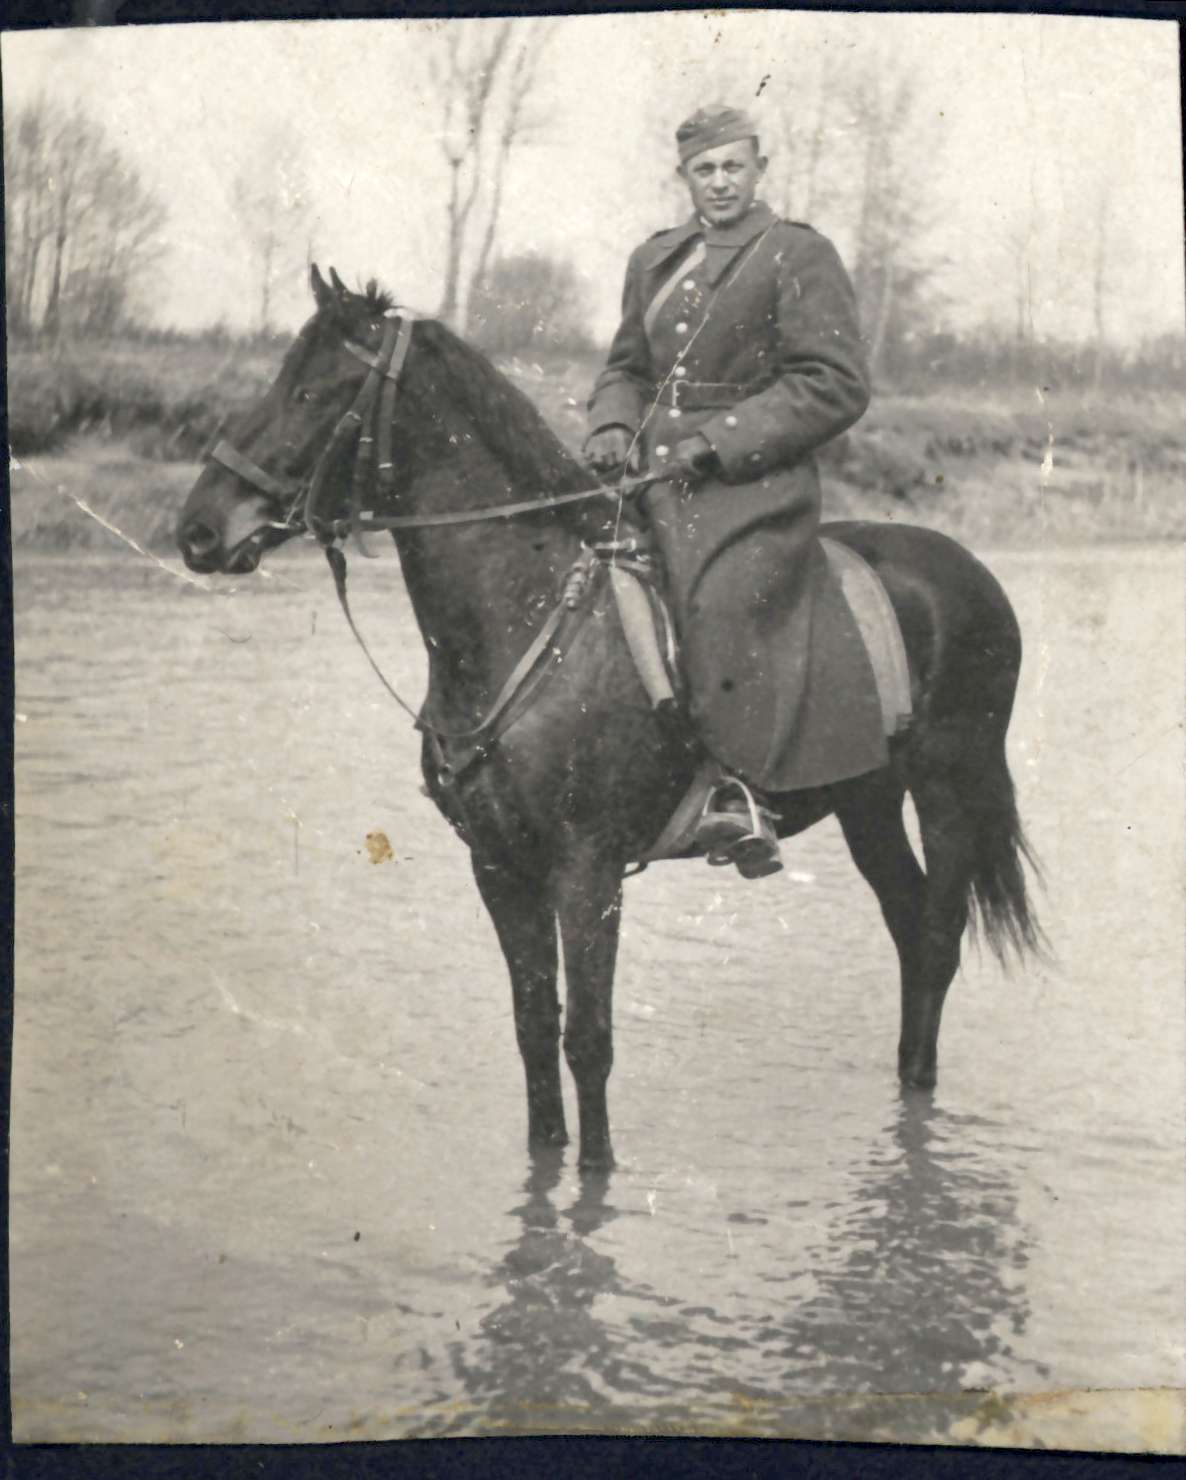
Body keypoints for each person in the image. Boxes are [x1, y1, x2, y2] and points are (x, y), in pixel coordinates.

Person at [584, 103, 882, 879]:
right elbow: (627, 368)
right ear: (684, 176)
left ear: (759, 170)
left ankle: (736, 791)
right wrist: (611, 424)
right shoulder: (654, 260)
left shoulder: (796, 253)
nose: (719, 182)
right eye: (704, 169)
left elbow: (835, 383)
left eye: (732, 167)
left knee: (715, 599)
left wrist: (719, 442)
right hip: (651, 477)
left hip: (754, 484)